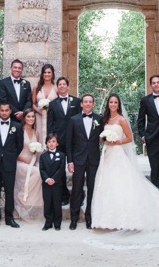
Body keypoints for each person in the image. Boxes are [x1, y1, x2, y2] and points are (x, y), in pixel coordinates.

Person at [89, 93, 159, 234]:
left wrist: (117, 141)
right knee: (107, 184)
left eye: (115, 102)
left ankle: (126, 218)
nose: (113, 104)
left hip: (118, 154)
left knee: (122, 184)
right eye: (111, 102)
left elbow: (129, 138)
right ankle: (107, 220)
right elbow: (100, 138)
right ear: (108, 104)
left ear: (118, 105)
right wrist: (104, 139)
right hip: (107, 155)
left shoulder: (121, 119)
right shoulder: (105, 119)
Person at [65, 94, 103, 230]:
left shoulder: (99, 119)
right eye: (85, 102)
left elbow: (103, 138)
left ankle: (89, 217)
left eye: (90, 102)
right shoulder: (73, 120)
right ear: (81, 104)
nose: (87, 104)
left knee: (92, 189)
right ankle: (74, 219)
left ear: (93, 104)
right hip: (78, 159)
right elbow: (68, 143)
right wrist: (70, 161)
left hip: (93, 159)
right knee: (77, 189)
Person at [0, 102, 24, 229]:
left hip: (9, 162)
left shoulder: (17, 126)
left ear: (10, 111)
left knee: (9, 190)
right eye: (2, 110)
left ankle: (9, 217)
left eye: (6, 110)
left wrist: (11, 156)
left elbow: (19, 145)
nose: (4, 112)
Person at [47, 76, 80, 205]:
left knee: (76, 169)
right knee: (59, 169)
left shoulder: (76, 102)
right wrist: (51, 141)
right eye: (59, 84)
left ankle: (78, 195)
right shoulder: (52, 104)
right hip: (59, 141)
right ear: (57, 87)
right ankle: (64, 195)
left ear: (68, 86)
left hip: (74, 141)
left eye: (64, 84)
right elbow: (50, 124)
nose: (62, 86)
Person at [14, 109, 44, 221]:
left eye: (33, 116)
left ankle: (32, 202)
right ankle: (22, 195)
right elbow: (13, 149)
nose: (31, 119)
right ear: (24, 118)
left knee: (42, 171)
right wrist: (22, 158)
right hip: (21, 162)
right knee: (38, 173)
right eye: (28, 116)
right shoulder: (19, 131)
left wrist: (35, 161)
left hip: (33, 162)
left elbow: (37, 151)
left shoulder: (36, 132)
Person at [40, 133, 66, 231]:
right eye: (49, 141)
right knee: (47, 203)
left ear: (57, 143)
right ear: (46, 143)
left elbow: (61, 169)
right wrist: (47, 179)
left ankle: (57, 223)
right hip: (46, 184)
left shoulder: (62, 155)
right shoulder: (43, 156)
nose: (51, 143)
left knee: (57, 203)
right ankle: (48, 222)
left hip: (57, 184)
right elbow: (42, 169)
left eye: (53, 141)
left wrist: (54, 179)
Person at [33, 63, 57, 144]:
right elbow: (33, 103)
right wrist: (38, 111)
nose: (47, 74)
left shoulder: (56, 88)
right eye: (45, 72)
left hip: (52, 119)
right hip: (39, 117)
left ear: (52, 74)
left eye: (49, 72)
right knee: (39, 137)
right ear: (42, 74)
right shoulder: (36, 87)